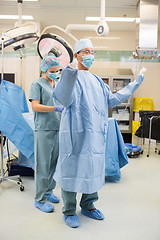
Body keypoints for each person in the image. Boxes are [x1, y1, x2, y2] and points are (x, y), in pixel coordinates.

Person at [52, 39, 145, 227]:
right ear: (77, 55)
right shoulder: (70, 76)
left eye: (92, 52)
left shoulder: (96, 81)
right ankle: (69, 210)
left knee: (93, 170)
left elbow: (112, 100)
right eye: (86, 51)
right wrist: (69, 73)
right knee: (71, 170)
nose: (90, 56)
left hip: (94, 136)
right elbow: (62, 97)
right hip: (74, 135)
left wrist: (134, 85)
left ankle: (88, 205)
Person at [29, 55, 64, 213]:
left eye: (57, 71)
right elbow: (35, 106)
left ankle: (49, 192)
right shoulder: (37, 84)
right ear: (45, 69)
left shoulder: (55, 84)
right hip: (43, 129)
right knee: (43, 164)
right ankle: (40, 199)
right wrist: (54, 109)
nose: (55, 73)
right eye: (52, 71)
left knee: (53, 164)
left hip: (57, 128)